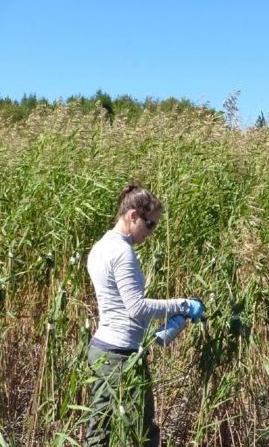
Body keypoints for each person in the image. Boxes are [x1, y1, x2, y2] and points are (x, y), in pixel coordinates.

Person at [85, 181, 204, 446]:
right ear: (133, 216)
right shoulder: (122, 251)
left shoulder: (100, 246)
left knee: (99, 434)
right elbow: (136, 307)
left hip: (102, 349)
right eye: (150, 225)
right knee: (143, 434)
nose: (151, 233)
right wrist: (183, 305)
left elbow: (119, 306)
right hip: (122, 357)